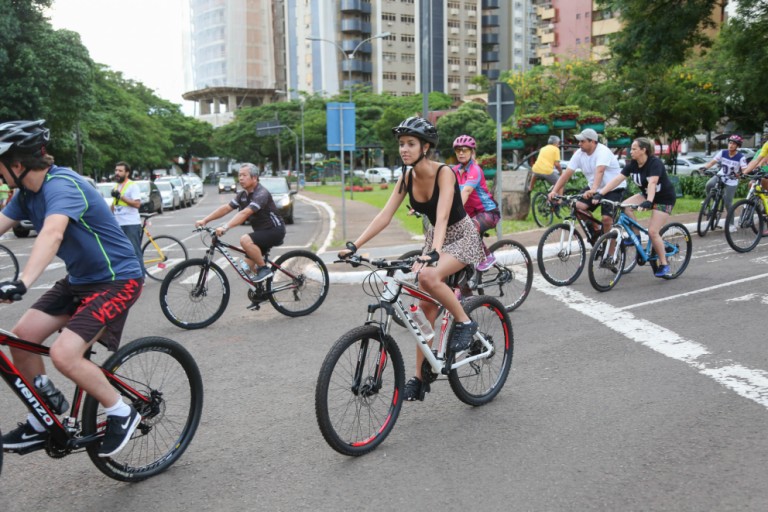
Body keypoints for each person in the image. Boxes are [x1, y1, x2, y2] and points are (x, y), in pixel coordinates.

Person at [0, 120, 144, 457]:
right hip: (80, 281)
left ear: (17, 165)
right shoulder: (25, 195)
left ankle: (122, 411)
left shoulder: (62, 185)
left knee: (64, 354)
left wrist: (23, 282)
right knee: (21, 340)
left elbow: (52, 234)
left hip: (118, 280)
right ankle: (43, 418)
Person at [338, 117, 484, 402]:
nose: (404, 149)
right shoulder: (406, 176)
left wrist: (434, 252)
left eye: (411, 144)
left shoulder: (444, 173)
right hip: (435, 240)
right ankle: (420, 379)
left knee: (428, 276)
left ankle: (465, 322)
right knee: (424, 310)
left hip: (460, 237)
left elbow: (442, 216)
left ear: (425, 147)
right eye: (401, 144)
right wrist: (356, 244)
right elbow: (385, 214)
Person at [593, 137, 677, 277]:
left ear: (644, 150)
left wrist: (649, 201)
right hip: (646, 196)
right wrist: (601, 193)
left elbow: (652, 183)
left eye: (634, 149)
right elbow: (617, 179)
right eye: (630, 149)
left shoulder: (654, 163)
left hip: (664, 199)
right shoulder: (632, 164)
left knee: (653, 231)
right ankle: (635, 237)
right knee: (625, 206)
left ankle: (664, 264)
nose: (630, 151)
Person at [195, 163, 285, 283]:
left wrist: (225, 227)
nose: (240, 178)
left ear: (254, 178)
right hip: (261, 233)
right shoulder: (242, 195)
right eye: (239, 175)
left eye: (244, 175)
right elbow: (226, 208)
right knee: (245, 268)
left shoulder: (261, 193)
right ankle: (262, 292)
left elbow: (245, 213)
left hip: (275, 230)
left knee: (245, 240)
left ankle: (264, 269)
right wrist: (205, 220)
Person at [548, 128, 626, 238]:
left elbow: (600, 171)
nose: (579, 144)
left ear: (593, 142)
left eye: (582, 141)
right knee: (577, 206)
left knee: (606, 219)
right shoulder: (579, 154)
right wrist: (554, 191)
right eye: (579, 141)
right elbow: (566, 174)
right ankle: (597, 229)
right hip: (594, 187)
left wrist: (594, 190)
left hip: (613, 188)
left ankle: (610, 252)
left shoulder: (602, 151)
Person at [451, 134, 500, 271]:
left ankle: (488, 256)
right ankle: (463, 289)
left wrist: (453, 209)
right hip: (468, 215)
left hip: (488, 213)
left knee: (469, 227)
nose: (461, 153)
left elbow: (465, 192)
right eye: (458, 150)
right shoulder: (454, 171)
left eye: (465, 150)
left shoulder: (475, 170)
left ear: (472, 152)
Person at [700, 135, 747, 216]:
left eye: (734, 144)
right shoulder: (723, 152)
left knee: (728, 203)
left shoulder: (741, 157)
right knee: (709, 184)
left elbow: (744, 170)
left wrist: (740, 174)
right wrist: (704, 167)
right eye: (730, 143)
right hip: (721, 175)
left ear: (737, 146)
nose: (731, 145)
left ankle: (731, 225)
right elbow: (712, 162)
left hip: (732, 180)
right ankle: (712, 202)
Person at [111, 162, 143, 265]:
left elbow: (137, 204)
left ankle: (141, 278)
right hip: (118, 224)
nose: (117, 173)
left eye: (120, 171)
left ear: (127, 173)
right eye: (116, 170)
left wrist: (122, 197)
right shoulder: (116, 186)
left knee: (134, 252)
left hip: (130, 224)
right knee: (120, 253)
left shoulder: (132, 186)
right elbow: (115, 205)